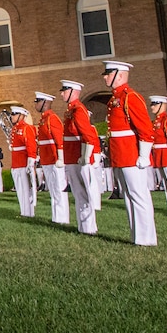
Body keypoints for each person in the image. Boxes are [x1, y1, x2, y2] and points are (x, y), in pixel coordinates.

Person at [103, 60, 157, 246]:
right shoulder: (115, 98)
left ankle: (147, 239)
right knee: (128, 196)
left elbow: (145, 129)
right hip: (121, 154)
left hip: (132, 154)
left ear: (119, 75)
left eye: (108, 73)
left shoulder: (130, 97)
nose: (105, 76)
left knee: (139, 196)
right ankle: (137, 237)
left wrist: (143, 155)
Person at [58, 80, 99, 235]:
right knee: (78, 193)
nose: (62, 93)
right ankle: (84, 226)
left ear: (73, 92)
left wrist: (85, 156)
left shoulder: (78, 110)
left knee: (83, 192)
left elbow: (87, 135)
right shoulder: (71, 110)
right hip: (72, 156)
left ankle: (89, 227)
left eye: (64, 90)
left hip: (78, 157)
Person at [34, 92, 68, 225]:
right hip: (47, 159)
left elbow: (59, 139)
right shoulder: (44, 119)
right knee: (53, 190)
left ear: (46, 102)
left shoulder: (52, 118)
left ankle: (62, 218)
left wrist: (60, 158)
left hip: (54, 159)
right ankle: (56, 217)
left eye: (38, 101)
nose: (36, 104)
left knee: (59, 189)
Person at [8, 107, 37, 217]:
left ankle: (29, 213)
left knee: (26, 188)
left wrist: (31, 161)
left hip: (23, 162)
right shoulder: (14, 129)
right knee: (20, 189)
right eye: (12, 114)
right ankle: (23, 211)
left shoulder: (27, 128)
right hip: (16, 162)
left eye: (15, 114)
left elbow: (31, 145)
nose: (12, 116)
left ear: (22, 116)